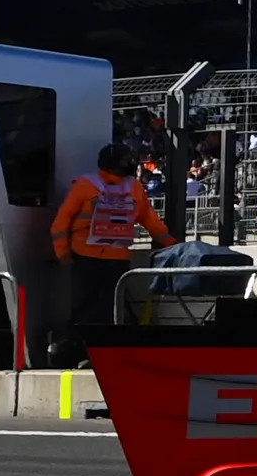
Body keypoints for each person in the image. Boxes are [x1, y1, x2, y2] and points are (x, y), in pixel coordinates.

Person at [49, 140, 169, 338]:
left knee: (84, 305)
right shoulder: (134, 188)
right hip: (116, 259)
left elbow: (61, 223)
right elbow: (152, 222)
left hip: (84, 256)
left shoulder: (85, 185)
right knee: (109, 308)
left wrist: (62, 253)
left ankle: (74, 344)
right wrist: (172, 245)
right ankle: (94, 347)